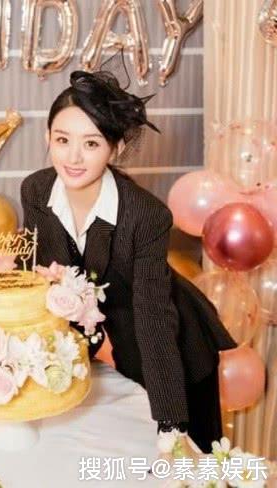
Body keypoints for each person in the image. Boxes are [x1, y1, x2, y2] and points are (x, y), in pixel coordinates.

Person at [19, 68, 237, 454]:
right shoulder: (36, 190)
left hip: (173, 342)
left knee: (194, 457)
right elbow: (36, 263)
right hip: (111, 337)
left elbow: (153, 319)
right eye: (62, 139)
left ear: (115, 148)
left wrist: (171, 423)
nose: (73, 157)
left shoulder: (146, 215)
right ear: (47, 137)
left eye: (91, 143)